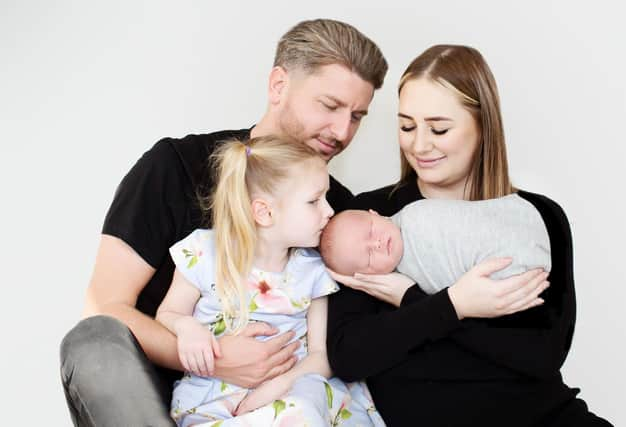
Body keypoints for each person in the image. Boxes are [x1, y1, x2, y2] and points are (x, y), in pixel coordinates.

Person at [59, 19, 387, 427]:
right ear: (278, 86)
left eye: (357, 116)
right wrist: (213, 359)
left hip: (275, 407)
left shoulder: (335, 214)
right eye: (330, 106)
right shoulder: (174, 168)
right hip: (159, 401)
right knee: (93, 342)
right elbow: (104, 306)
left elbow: (343, 347)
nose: (342, 131)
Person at [326, 45, 612, 426]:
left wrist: (410, 299)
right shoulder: (371, 222)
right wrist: (455, 306)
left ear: (483, 125)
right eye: (407, 126)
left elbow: (540, 357)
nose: (419, 145)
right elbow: (350, 357)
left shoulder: (534, 218)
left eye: (439, 128)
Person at [156, 136, 383, 426]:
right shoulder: (203, 253)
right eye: (314, 201)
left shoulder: (312, 269)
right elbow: (168, 313)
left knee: (308, 410)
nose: (329, 211)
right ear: (264, 212)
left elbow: (321, 356)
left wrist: (272, 390)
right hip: (219, 398)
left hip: (294, 386)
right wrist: (186, 328)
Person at [319, 195, 552, 295]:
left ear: (376, 213)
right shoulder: (400, 281)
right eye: (369, 256)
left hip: (522, 226)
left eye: (371, 230)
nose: (378, 243)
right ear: (366, 277)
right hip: (521, 279)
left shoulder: (415, 216)